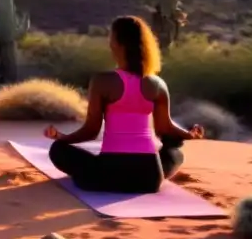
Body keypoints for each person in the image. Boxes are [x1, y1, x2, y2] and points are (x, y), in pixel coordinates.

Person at [44, 14, 205, 194]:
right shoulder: (158, 84)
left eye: (111, 37)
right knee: (175, 151)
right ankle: (157, 169)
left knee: (58, 150)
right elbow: (165, 128)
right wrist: (189, 134)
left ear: (117, 44)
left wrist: (61, 137)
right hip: (148, 180)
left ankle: (90, 175)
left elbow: (91, 131)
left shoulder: (102, 81)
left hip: (109, 175)